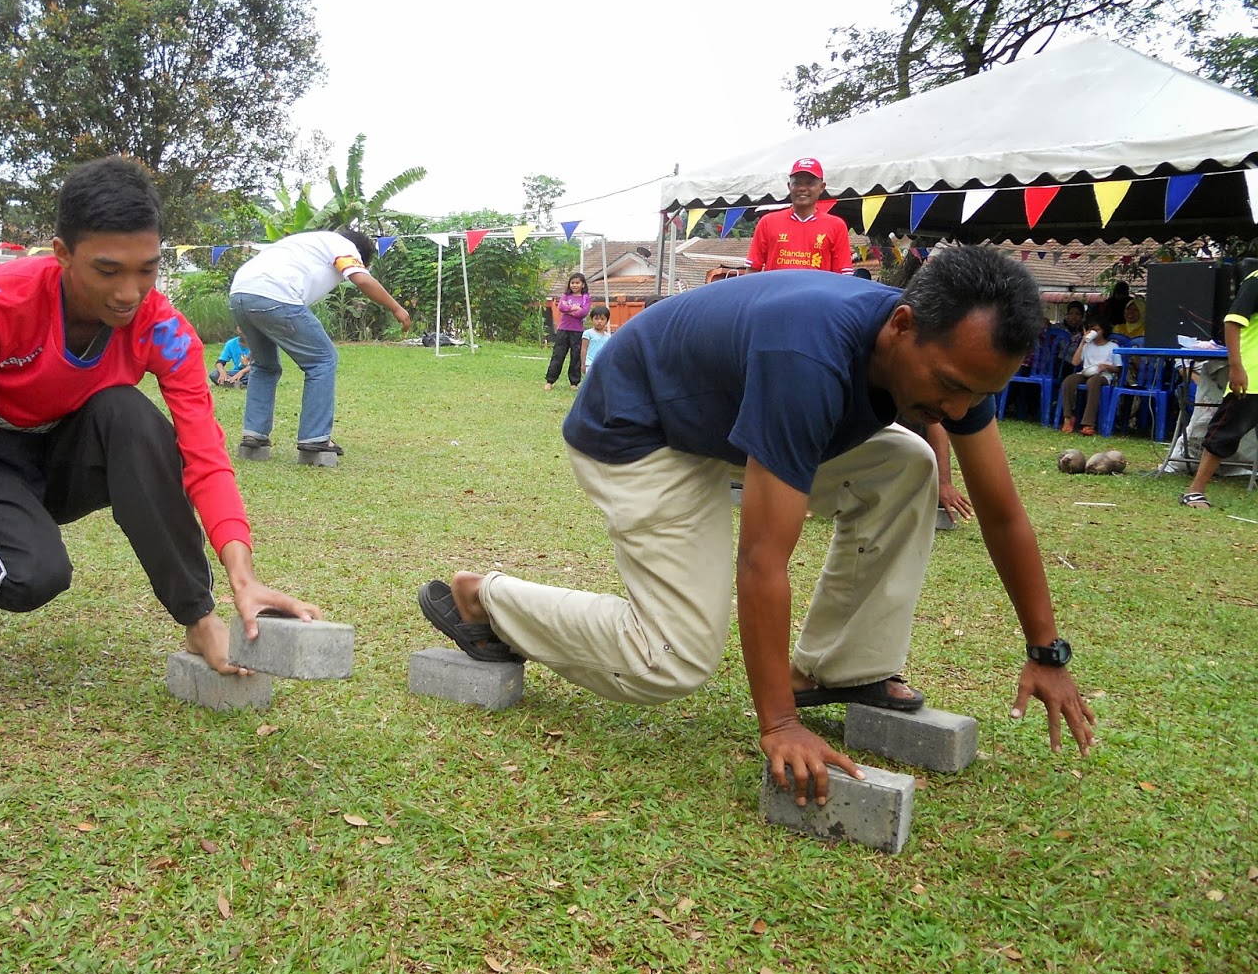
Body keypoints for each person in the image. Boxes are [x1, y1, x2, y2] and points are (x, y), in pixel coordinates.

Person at [417, 246, 1094, 808]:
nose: (958, 406)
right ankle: (487, 599)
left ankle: (841, 668)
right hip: (639, 425)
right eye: (950, 385)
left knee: (911, 463)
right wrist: (779, 724)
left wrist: (1046, 651)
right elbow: (764, 560)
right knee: (672, 660)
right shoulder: (810, 359)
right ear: (903, 324)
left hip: (726, 418)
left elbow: (1002, 512)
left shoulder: (952, 363)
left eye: (978, 394)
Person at [0, 155, 319, 679]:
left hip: (63, 459)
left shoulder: (163, 329)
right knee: (32, 577)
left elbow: (204, 457)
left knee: (126, 411)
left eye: (148, 269)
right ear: (62, 254)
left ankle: (197, 617)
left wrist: (244, 576)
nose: (129, 293)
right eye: (108, 270)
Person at [228, 229, 410, 458]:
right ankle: (315, 438)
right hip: (276, 295)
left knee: (264, 365)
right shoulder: (345, 247)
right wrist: (397, 308)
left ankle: (253, 436)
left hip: (239, 295)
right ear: (360, 257)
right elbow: (362, 279)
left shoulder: (307, 241)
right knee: (323, 360)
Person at [1179, 266, 1257, 509]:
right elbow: (1232, 323)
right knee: (1225, 433)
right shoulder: (1256, 280)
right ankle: (1195, 491)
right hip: (1252, 375)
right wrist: (1236, 367)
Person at [745, 157, 854, 275]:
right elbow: (752, 270)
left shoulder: (836, 226)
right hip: (778, 293)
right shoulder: (767, 222)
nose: (802, 189)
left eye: (810, 183)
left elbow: (844, 276)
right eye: (796, 183)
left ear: (822, 187)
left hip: (817, 294)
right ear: (789, 186)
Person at [1059, 317, 1120, 436]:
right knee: (1069, 380)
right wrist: (1082, 342)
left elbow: (1118, 368)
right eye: (1090, 329)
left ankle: (1088, 423)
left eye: (1096, 330)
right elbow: (1075, 363)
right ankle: (1068, 417)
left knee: (1093, 382)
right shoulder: (1087, 346)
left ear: (1104, 331)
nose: (1092, 332)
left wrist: (1106, 367)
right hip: (1086, 373)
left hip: (1103, 376)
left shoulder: (1113, 347)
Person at [545, 272, 593, 389]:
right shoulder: (565, 296)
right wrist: (574, 308)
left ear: (583, 284)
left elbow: (583, 312)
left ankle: (574, 383)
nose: (574, 285)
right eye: (572, 283)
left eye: (577, 283)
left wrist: (569, 310)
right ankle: (550, 381)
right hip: (563, 329)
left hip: (577, 331)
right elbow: (561, 307)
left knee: (576, 356)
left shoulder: (586, 297)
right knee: (558, 355)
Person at [579, 305, 612, 377]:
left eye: (602, 319)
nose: (599, 321)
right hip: (590, 364)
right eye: (596, 319)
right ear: (592, 319)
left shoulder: (608, 336)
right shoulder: (588, 333)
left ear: (607, 321)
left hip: (603, 364)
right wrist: (583, 364)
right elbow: (584, 349)